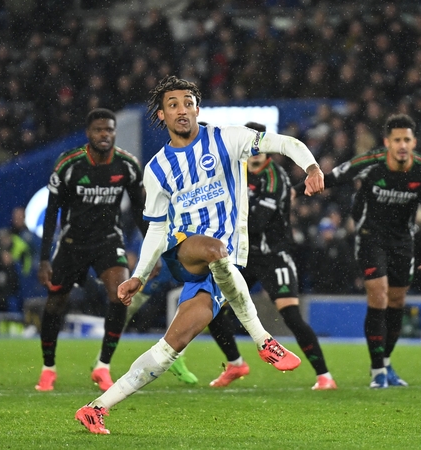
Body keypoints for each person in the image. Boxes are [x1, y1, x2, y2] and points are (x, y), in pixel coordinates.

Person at [75, 75, 324, 434]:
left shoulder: (227, 138)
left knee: (171, 346)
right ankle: (264, 341)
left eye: (188, 102)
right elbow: (158, 229)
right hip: (186, 250)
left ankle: (96, 409)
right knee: (213, 248)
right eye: (173, 104)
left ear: (197, 108)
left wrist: (312, 166)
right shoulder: (157, 169)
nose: (182, 110)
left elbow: (284, 143)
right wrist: (139, 275)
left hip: (222, 266)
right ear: (161, 115)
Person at [295, 114, 421, 388]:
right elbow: (329, 179)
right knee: (379, 295)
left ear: (414, 142)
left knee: (397, 302)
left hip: (403, 241)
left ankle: (385, 362)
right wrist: (292, 192)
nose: (402, 145)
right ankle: (377, 371)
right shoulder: (369, 163)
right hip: (370, 237)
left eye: (406, 140)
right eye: (396, 140)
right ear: (387, 142)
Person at [205, 121, 337, 391]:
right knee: (210, 309)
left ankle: (324, 376)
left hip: (273, 255)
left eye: (258, 145)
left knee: (291, 315)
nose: (254, 151)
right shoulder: (235, 171)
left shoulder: (276, 176)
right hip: (242, 256)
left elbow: (257, 221)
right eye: (249, 145)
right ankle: (235, 363)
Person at [35, 108, 147, 392]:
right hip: (72, 244)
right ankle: (48, 368)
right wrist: (44, 259)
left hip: (109, 241)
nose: (105, 134)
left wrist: (149, 250)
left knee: (120, 296)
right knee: (54, 303)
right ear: (89, 133)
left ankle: (103, 367)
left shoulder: (127, 165)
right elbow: (52, 212)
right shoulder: (69, 164)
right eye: (99, 130)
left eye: (109, 129)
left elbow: (138, 210)